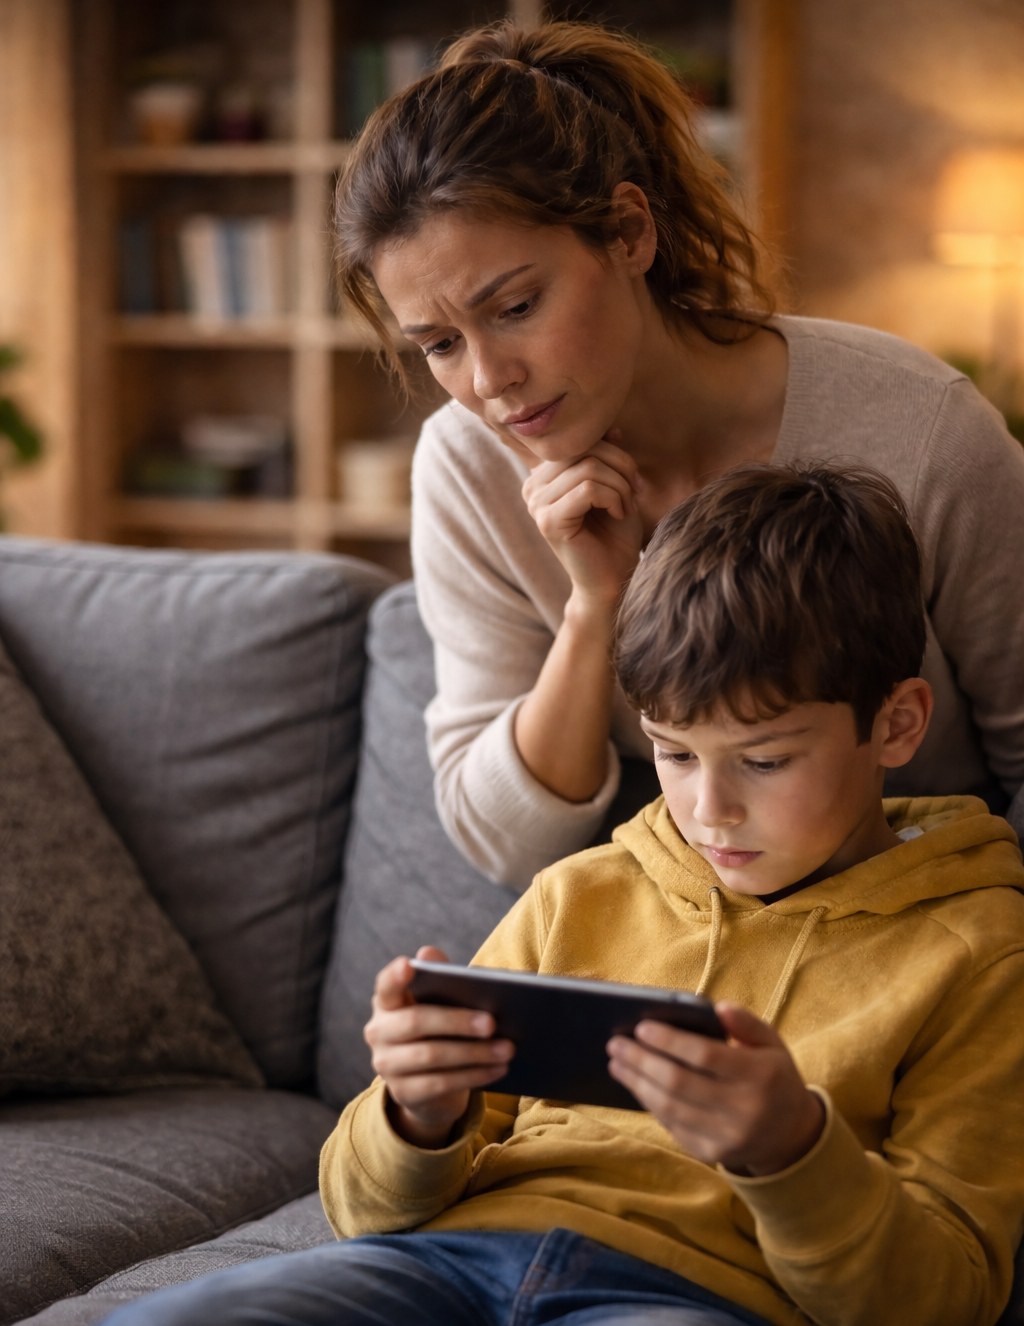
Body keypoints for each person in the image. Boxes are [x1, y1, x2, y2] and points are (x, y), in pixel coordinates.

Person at [69, 463, 1024, 1326]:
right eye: (672, 752)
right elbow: (360, 1210)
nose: (710, 808)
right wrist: (413, 1115)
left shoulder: (977, 948)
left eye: (762, 759)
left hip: (723, 1312)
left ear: (895, 727)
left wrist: (789, 1147)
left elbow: (935, 1317)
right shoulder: (583, 891)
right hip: (460, 1256)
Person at [333, 18, 1024, 890]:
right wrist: (595, 608)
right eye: (437, 344)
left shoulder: (921, 428)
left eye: (515, 307)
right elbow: (506, 848)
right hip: (673, 949)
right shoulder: (469, 469)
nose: (489, 381)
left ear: (628, 233)